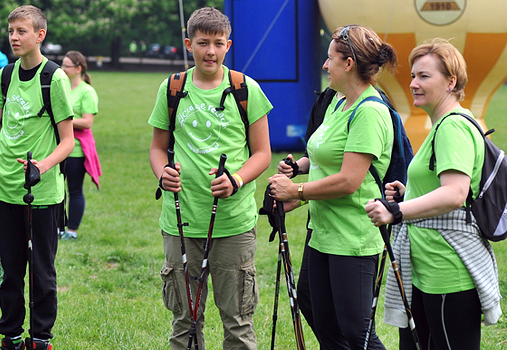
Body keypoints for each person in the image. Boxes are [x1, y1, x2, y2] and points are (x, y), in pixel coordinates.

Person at [366, 38, 501, 350]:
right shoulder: (439, 126)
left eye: (424, 76)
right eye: (413, 75)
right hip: (425, 270)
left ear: (451, 81)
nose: (413, 83)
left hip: (446, 272)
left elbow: (455, 194)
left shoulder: (453, 128)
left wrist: (396, 212)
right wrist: (408, 196)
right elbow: (440, 189)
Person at [149, 7, 272, 350]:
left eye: (218, 43)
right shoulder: (172, 88)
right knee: (185, 322)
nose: (211, 52)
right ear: (189, 44)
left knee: (237, 322)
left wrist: (235, 179)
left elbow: (262, 153)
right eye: (203, 43)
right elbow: (158, 148)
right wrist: (164, 174)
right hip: (181, 222)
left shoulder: (245, 89)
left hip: (233, 223)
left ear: (228, 45)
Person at [268, 24, 397, 349]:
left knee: (357, 334)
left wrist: (295, 192)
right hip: (323, 234)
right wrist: (299, 167)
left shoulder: (370, 112)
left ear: (348, 64)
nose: (325, 66)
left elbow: (349, 180)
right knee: (319, 316)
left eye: (330, 59)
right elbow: (330, 152)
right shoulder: (339, 103)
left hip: (352, 239)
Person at [0, 6, 74, 350]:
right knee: (9, 271)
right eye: (11, 31)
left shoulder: (54, 78)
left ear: (39, 35)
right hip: (3, 188)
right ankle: (10, 336)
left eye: (21, 31)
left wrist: (42, 165)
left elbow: (68, 140)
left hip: (41, 191)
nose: (13, 37)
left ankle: (40, 339)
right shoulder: (4, 76)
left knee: (42, 272)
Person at [60, 50, 101, 240]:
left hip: (76, 150)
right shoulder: (60, 87)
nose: (63, 69)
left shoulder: (87, 91)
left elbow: (87, 122)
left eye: (66, 66)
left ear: (78, 68)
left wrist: (64, 120)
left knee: (74, 190)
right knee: (57, 190)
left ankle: (72, 230)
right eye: (62, 65)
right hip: (57, 148)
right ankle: (59, 226)